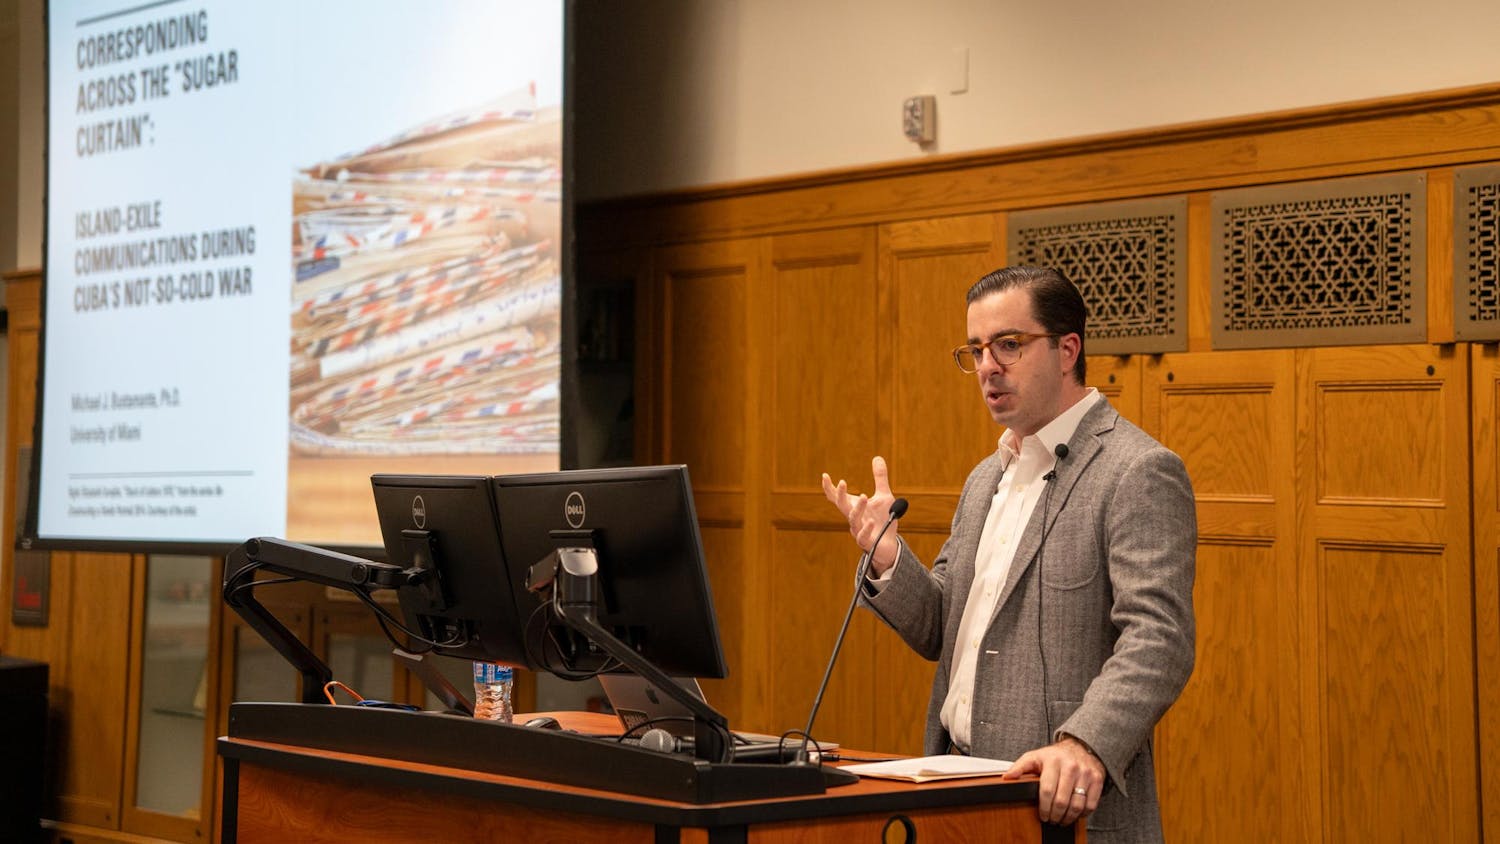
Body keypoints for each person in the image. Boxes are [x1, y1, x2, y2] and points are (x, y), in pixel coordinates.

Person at [822, 265, 1195, 844]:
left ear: (1068, 349)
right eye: (975, 350)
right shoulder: (984, 480)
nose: (988, 367)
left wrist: (1085, 742)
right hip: (956, 796)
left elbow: (1159, 638)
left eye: (1009, 345)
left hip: (1060, 812)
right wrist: (887, 557)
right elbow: (940, 628)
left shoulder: (1136, 471)